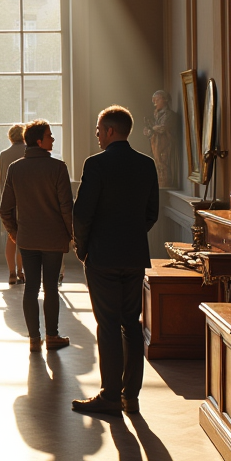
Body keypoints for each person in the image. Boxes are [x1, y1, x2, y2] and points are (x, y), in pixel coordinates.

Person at [71, 105, 159, 415]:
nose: (96, 135)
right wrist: (132, 235)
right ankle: (130, 396)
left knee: (107, 325)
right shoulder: (146, 164)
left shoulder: (96, 164)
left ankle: (109, 396)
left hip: (103, 256)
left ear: (110, 131)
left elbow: (82, 214)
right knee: (130, 324)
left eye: (98, 130)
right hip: (134, 255)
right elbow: (152, 213)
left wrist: (83, 248)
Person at [0, 120, 73, 353]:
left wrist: (14, 232)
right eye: (50, 135)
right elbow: (66, 208)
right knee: (50, 287)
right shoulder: (58, 168)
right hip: (53, 238)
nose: (53, 139)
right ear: (39, 141)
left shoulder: (16, 168)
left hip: (27, 238)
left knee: (31, 287)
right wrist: (73, 236)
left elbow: (5, 209)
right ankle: (52, 336)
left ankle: (34, 339)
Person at [0, 123, 28, 284]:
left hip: (8, 203)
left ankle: (11, 273)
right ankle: (22, 272)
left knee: (11, 238)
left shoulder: (3, 154)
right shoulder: (28, 152)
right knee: (24, 239)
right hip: (26, 204)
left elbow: (0, 177)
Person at [143, 90, 177, 188]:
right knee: (157, 165)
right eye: (154, 100)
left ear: (165, 100)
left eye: (157, 100)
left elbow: (162, 127)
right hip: (155, 144)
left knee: (164, 164)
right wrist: (148, 131)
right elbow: (154, 128)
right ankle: (160, 183)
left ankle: (165, 183)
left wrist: (152, 128)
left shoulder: (169, 114)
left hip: (165, 145)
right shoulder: (155, 114)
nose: (155, 102)